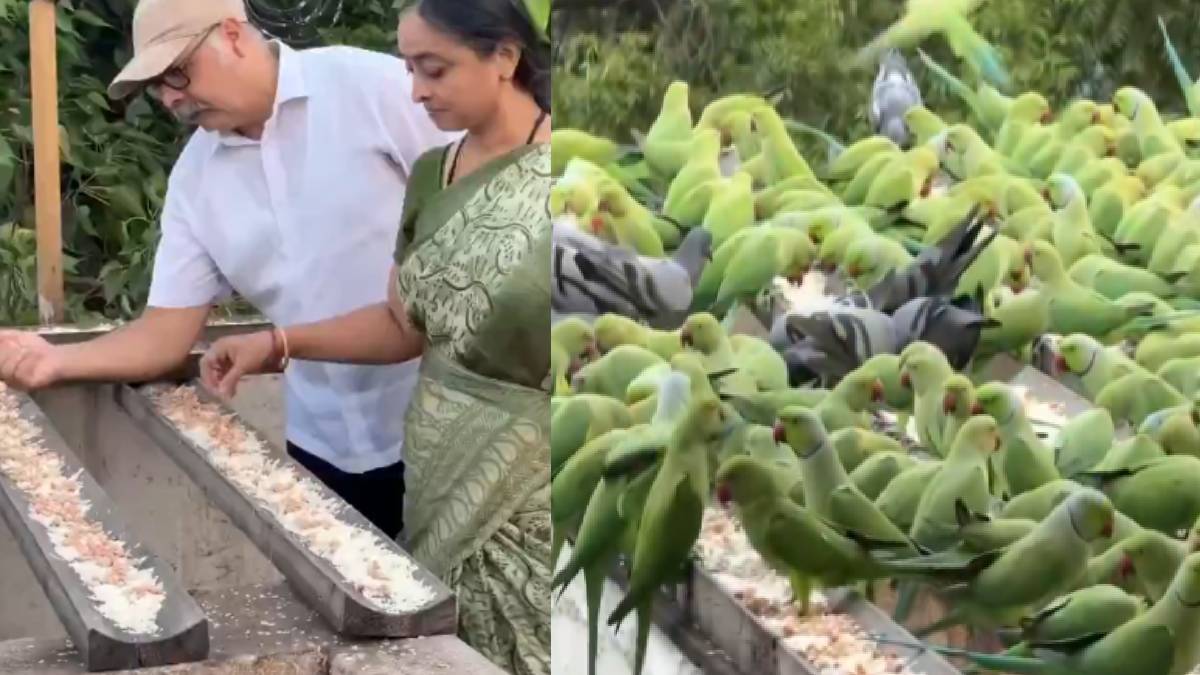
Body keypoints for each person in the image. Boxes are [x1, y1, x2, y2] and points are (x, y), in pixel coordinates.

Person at [0, 0, 456, 540]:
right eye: (157, 86)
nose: (170, 98)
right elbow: (164, 336)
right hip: (322, 451)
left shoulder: (375, 91)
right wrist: (56, 361)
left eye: (176, 72)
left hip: (445, 434)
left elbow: (487, 212)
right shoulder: (196, 182)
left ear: (234, 35)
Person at [199, 0, 551, 672]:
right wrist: (277, 344)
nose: (415, 90)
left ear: (505, 57)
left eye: (434, 69)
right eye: (410, 68)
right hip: (436, 471)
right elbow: (401, 326)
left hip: (537, 482)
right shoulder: (432, 175)